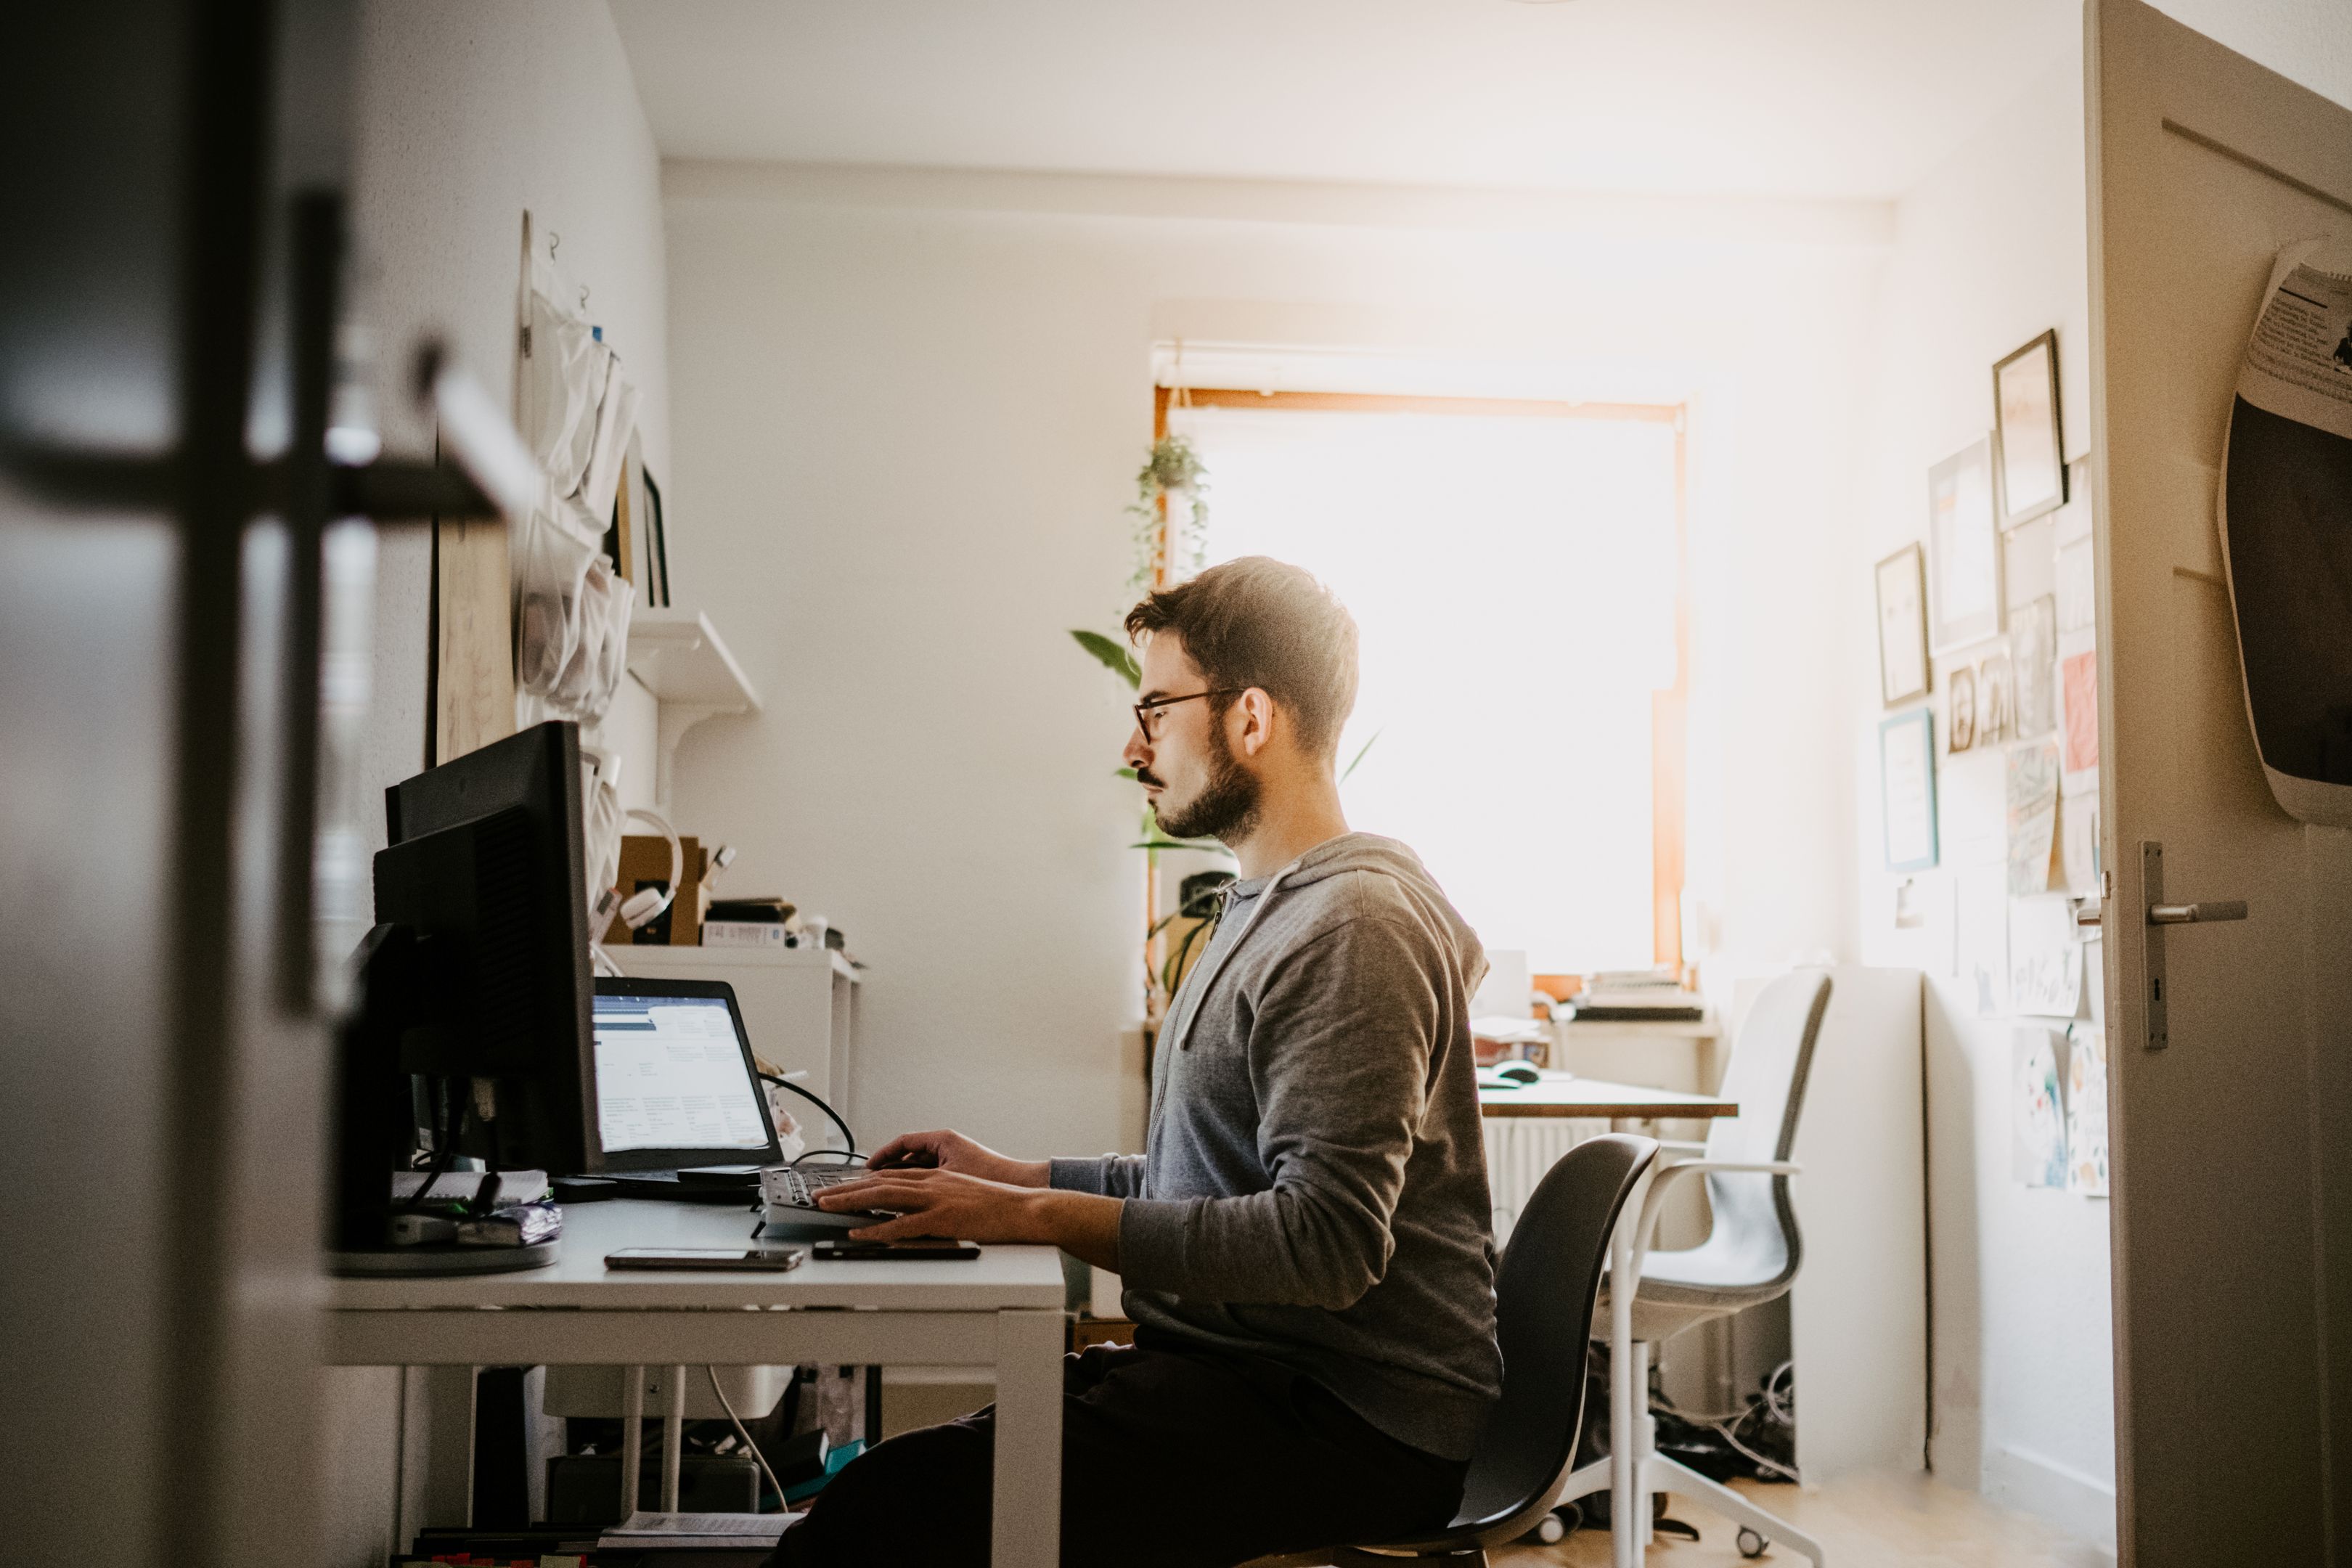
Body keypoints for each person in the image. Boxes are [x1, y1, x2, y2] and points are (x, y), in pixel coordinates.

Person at [769, 557, 1502, 1568]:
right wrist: (1011, 1176)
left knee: (882, 1521)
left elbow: (1325, 1246)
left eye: (1156, 709)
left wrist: (1027, 1218)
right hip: (1252, 1379)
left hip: (1348, 1423)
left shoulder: (1353, 928)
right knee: (891, 1496)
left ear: (1251, 718)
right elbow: (1209, 1185)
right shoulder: (1262, 910)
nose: (1133, 745)